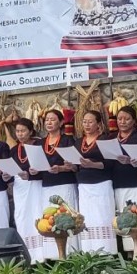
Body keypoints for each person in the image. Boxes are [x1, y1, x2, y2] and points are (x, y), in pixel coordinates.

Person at [40, 109, 80, 254]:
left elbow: (75, 165)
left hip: (65, 183)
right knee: (49, 217)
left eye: (53, 119)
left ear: (61, 122)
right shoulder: (41, 142)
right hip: (47, 185)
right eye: (47, 120)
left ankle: (71, 252)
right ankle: (53, 254)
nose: (49, 123)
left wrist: (62, 168)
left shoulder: (67, 140)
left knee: (66, 216)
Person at [76, 110, 116, 253]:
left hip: (101, 183)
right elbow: (76, 164)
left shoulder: (105, 139)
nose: (87, 124)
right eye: (84, 121)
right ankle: (89, 251)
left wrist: (92, 164)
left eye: (90, 121)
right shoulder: (79, 142)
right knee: (88, 218)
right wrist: (70, 165)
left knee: (102, 217)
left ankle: (107, 251)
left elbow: (111, 163)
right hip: (84, 185)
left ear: (98, 124)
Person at [112, 105, 137, 253]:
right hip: (119, 182)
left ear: (134, 121)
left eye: (127, 119)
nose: (123, 122)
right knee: (124, 215)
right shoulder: (112, 138)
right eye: (120, 119)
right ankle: (129, 251)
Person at [7, 118, 44, 262]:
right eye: (17, 131)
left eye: (23, 131)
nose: (20, 134)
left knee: (37, 213)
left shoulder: (38, 145)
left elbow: (44, 166)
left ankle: (42, 255)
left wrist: (31, 174)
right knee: (22, 217)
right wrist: (7, 174)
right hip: (20, 187)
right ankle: (27, 256)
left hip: (35, 185)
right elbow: (11, 169)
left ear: (30, 131)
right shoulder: (15, 150)